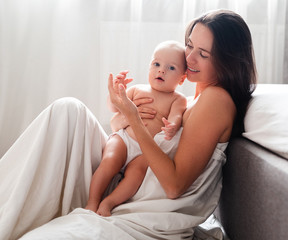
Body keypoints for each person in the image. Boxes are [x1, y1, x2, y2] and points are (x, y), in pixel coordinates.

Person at [0, 9, 256, 240]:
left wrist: (133, 118)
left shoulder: (216, 100)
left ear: (228, 61)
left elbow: (174, 186)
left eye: (203, 54)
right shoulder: (193, 100)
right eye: (189, 46)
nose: (189, 58)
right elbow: (124, 129)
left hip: (139, 208)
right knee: (68, 110)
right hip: (124, 181)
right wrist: (123, 113)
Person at [85, 41, 187, 216]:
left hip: (145, 151)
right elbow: (114, 107)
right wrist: (117, 91)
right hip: (124, 140)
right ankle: (92, 201)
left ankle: (109, 203)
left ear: (182, 78)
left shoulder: (178, 99)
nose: (161, 70)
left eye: (171, 68)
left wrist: (173, 125)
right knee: (109, 160)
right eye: (156, 64)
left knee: (137, 174)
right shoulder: (137, 89)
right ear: (149, 67)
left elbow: (176, 116)